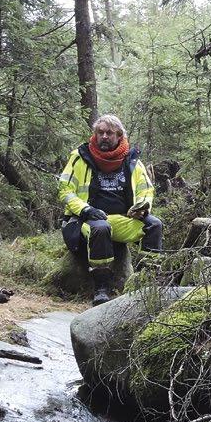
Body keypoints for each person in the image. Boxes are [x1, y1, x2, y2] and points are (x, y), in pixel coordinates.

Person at [58, 114, 163, 305]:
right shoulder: (80, 157)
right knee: (101, 228)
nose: (104, 136)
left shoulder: (131, 161)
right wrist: (85, 209)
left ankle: (148, 282)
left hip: (123, 218)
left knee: (154, 225)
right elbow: (65, 190)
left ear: (119, 136)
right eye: (100, 132)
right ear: (95, 134)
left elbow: (146, 189)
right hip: (85, 220)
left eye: (109, 133)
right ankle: (101, 288)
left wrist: (142, 207)